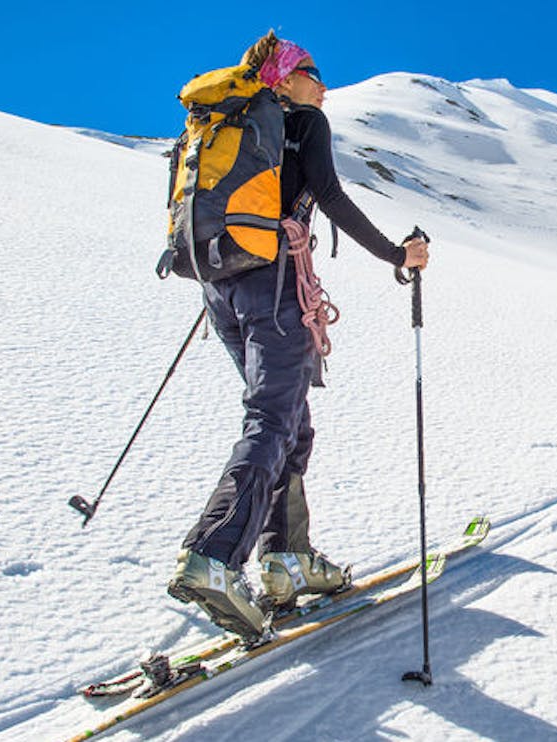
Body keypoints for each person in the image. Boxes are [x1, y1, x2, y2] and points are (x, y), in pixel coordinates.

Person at [167, 31, 430, 641]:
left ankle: (288, 558)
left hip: (221, 287)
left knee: (290, 418)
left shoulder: (214, 124)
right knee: (274, 419)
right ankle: (213, 554)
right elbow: (331, 197)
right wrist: (397, 254)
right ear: (282, 79)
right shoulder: (302, 122)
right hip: (277, 286)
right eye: (311, 72)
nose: (323, 84)